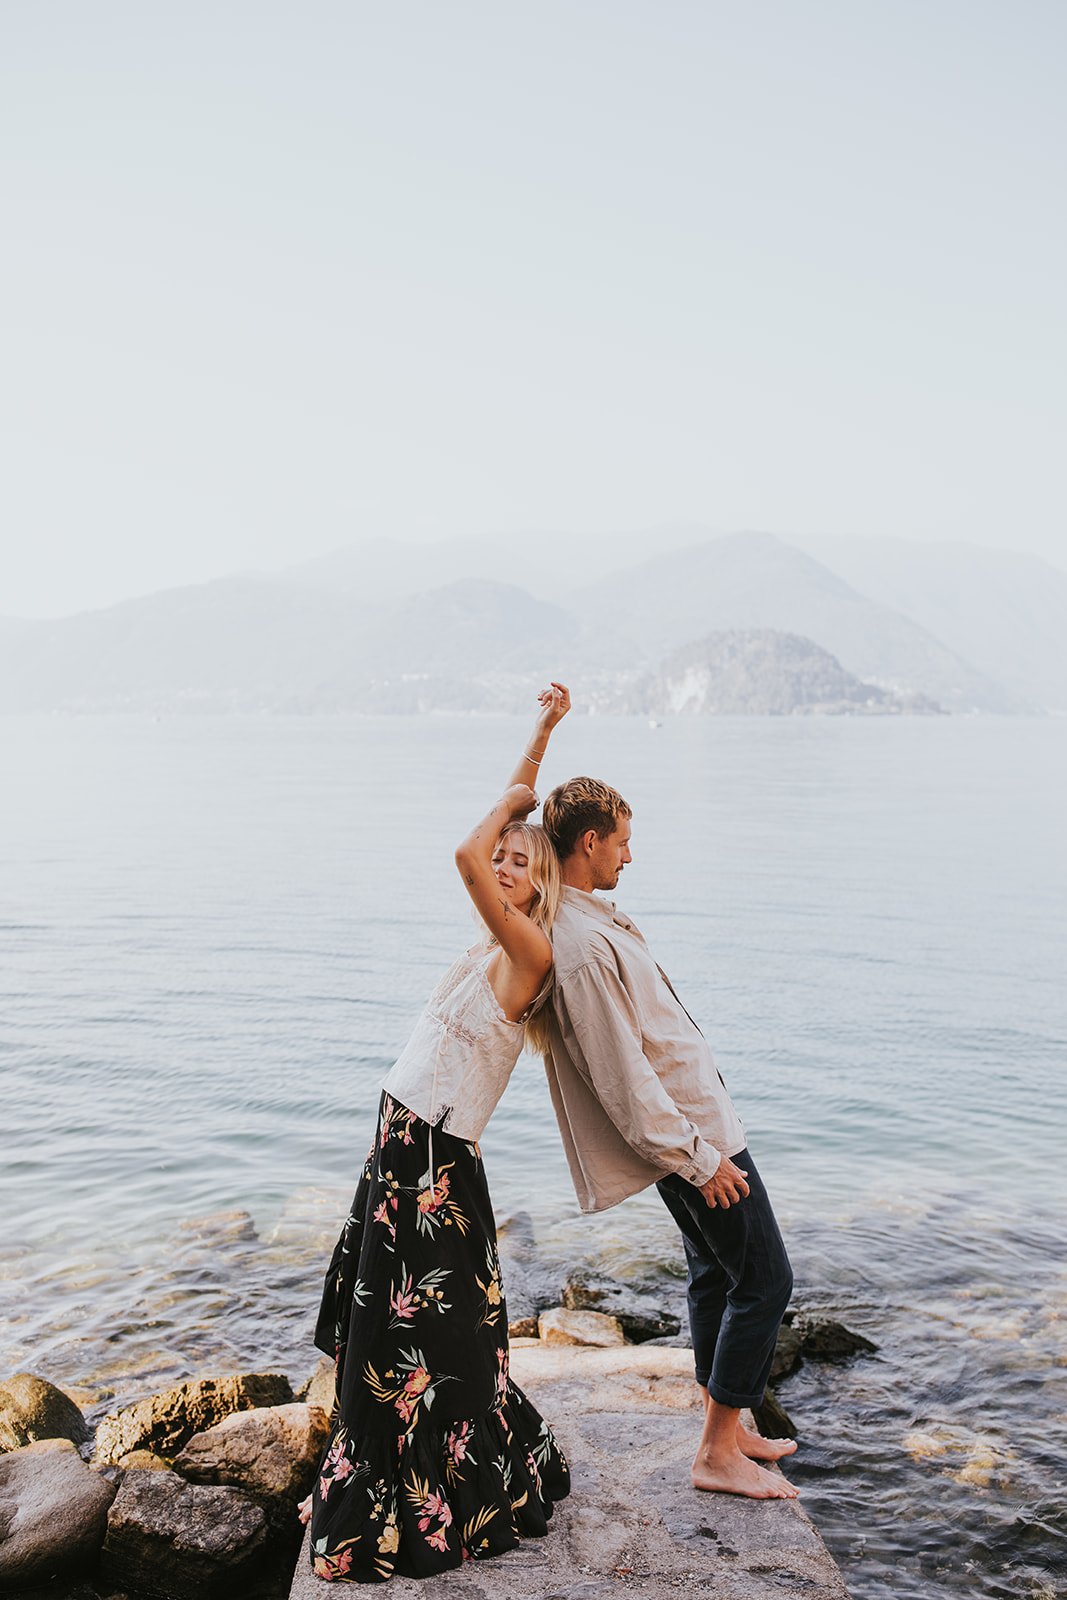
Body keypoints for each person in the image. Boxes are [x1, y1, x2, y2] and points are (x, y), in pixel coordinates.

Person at [300, 686, 573, 1581]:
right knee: (392, 1338)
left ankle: (437, 1495)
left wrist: (511, 810)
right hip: (401, 1145)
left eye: (518, 864)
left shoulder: (529, 950)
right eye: (500, 860)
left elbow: (461, 851)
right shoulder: (496, 940)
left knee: (424, 1345)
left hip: (432, 1161)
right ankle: (389, 1476)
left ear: (540, 885)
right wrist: (537, 740)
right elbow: (482, 848)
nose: (499, 868)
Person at [540, 776, 798, 1501]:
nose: (629, 855)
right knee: (766, 1280)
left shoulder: (591, 921)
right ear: (588, 842)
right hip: (693, 1139)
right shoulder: (583, 945)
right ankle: (716, 1453)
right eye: (622, 842)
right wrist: (695, 1157)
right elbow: (622, 1076)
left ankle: (730, 1424)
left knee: (717, 1274)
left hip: (696, 1129)